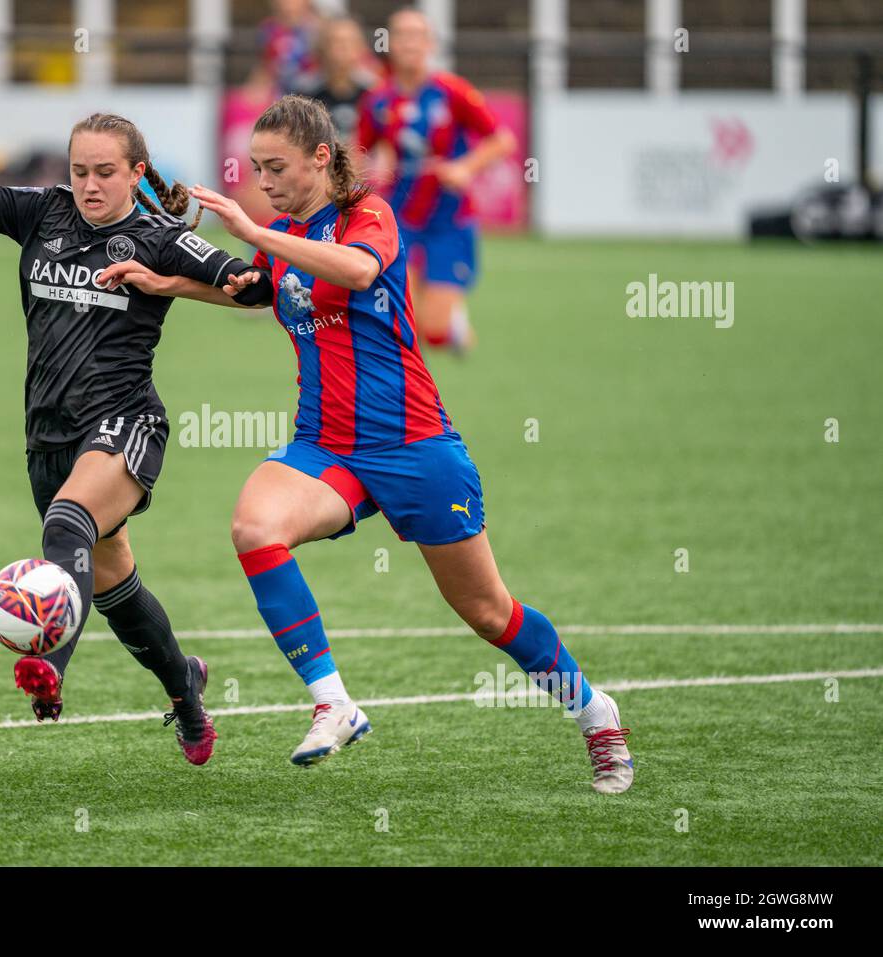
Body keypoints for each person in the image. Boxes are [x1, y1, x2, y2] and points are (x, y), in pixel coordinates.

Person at [104, 94, 634, 793]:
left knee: (488, 611)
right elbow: (257, 294)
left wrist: (253, 229)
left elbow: (354, 270)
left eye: (277, 167)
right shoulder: (291, 233)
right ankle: (334, 701)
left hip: (415, 445)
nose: (264, 181)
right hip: (325, 445)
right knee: (254, 526)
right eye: (257, 168)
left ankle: (596, 713)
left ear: (321, 157)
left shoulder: (369, 216)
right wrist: (163, 281)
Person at [0, 66, 261, 764]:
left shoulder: (160, 237)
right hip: (46, 436)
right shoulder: (41, 211)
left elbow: (249, 288)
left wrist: (183, 279)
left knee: (68, 522)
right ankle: (186, 688)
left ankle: (52, 670)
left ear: (137, 172)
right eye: (80, 171)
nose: (90, 185)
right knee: (116, 589)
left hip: (126, 422)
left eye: (105, 171)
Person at [356, 7, 516, 353]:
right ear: (390, 44)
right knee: (402, 320)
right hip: (401, 217)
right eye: (402, 35)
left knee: (436, 333)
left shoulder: (451, 91)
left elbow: (502, 140)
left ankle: (451, 320)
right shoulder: (378, 99)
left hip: (449, 218)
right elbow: (360, 152)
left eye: (418, 35)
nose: (410, 43)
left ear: (429, 44)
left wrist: (465, 168)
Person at [295, 15, 377, 144]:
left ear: (361, 48)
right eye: (337, 42)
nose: (344, 48)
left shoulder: (373, 91)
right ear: (324, 47)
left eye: (350, 42)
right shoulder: (305, 93)